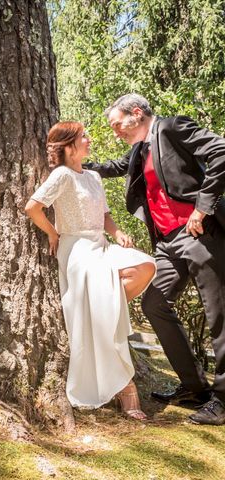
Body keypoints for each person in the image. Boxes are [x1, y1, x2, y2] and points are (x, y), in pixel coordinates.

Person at [84, 93, 225, 425]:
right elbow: (115, 167)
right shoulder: (139, 149)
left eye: (117, 124)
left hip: (200, 234)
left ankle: (222, 400)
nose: (116, 130)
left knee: (219, 315)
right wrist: (77, 165)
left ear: (136, 114)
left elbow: (220, 150)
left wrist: (202, 208)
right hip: (166, 243)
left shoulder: (172, 129)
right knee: (154, 304)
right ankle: (195, 388)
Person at [25, 121, 156, 419]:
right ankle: (125, 387)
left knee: (147, 265)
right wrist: (53, 233)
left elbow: (105, 214)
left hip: (101, 245)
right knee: (102, 302)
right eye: (84, 137)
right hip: (78, 251)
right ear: (69, 146)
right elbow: (33, 207)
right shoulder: (62, 175)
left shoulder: (94, 177)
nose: (90, 139)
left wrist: (117, 232)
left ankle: (109, 305)